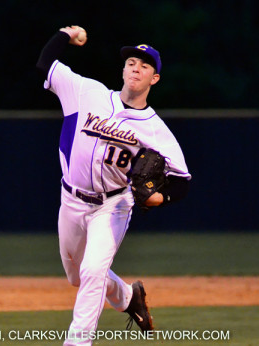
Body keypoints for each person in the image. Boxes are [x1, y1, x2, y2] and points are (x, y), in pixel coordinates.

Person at [36, 25, 191, 346]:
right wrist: (68, 33)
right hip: (72, 200)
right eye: (132, 62)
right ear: (123, 69)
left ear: (154, 79)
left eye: (145, 66)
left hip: (113, 205)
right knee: (77, 277)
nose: (136, 68)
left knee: (93, 272)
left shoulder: (156, 130)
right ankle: (127, 296)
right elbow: (46, 62)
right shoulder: (86, 92)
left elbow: (182, 182)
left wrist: (157, 198)